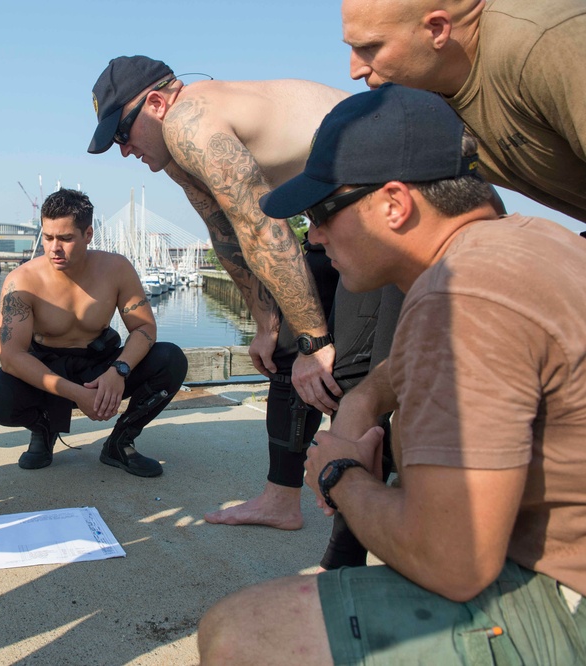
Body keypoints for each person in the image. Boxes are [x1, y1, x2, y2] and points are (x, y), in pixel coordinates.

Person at [199, 84, 586, 664]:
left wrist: (339, 476)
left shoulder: (457, 296)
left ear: (395, 204)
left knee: (240, 633)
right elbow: (408, 374)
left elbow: (451, 560)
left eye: (323, 212)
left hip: (568, 598)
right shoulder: (530, 242)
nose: (316, 235)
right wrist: (364, 400)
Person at [89, 55, 392, 530]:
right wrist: (268, 325)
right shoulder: (174, 150)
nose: (124, 150)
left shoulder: (189, 120)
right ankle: (280, 501)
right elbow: (225, 233)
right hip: (338, 216)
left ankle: (364, 526)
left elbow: (262, 224)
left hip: (388, 200)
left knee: (347, 368)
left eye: (123, 134)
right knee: (285, 358)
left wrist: (316, 339)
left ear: (155, 103)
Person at [0, 189, 188, 477]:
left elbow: (144, 328)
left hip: (99, 364)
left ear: (88, 234)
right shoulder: (22, 281)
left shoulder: (115, 269)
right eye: (48, 236)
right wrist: (77, 395)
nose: (54, 247)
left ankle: (120, 442)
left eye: (66, 238)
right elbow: (12, 357)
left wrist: (119, 370)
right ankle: (43, 428)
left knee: (171, 359)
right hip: (46, 367)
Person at [341, 0, 586, 224]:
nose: (355, 70)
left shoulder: (543, 42)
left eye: (370, 47)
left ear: (437, 29)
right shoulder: (422, 94)